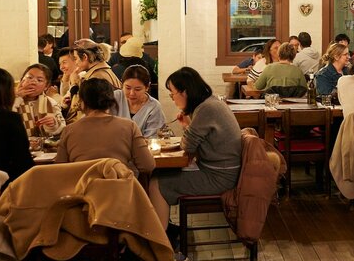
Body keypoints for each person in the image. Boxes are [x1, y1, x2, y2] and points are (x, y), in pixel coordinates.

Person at [149, 67, 243, 229]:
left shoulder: (206, 109)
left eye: (172, 94)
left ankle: (161, 243)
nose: (173, 99)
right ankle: (164, 230)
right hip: (224, 171)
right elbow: (192, 144)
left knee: (156, 183)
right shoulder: (210, 103)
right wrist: (188, 125)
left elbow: (188, 145)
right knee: (159, 174)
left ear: (184, 92)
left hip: (220, 177)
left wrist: (187, 126)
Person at [55, 79, 154, 177]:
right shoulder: (129, 126)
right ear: (111, 101)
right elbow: (147, 165)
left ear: (82, 103)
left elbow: (59, 169)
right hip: (120, 190)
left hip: (82, 190)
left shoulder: (69, 130)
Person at [112, 65, 166, 138]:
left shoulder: (154, 107)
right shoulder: (115, 97)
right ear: (122, 84)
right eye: (127, 88)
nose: (132, 93)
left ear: (147, 87)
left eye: (137, 89)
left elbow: (152, 138)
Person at [13, 63, 65, 138]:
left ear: (46, 86)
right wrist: (17, 99)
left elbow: (62, 129)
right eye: (29, 77)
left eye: (39, 80)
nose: (33, 82)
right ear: (22, 80)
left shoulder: (51, 103)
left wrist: (53, 125)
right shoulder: (9, 100)